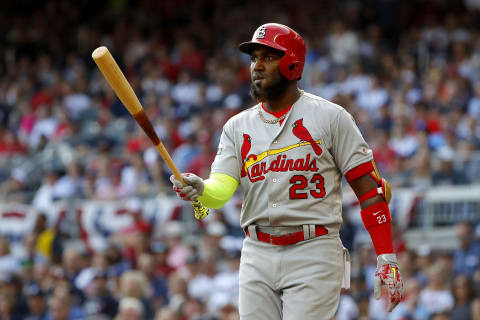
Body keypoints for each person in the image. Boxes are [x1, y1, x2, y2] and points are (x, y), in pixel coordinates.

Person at [170, 23, 404, 319]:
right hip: (256, 251)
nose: (257, 65)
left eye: (268, 57)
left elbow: (371, 191)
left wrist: (386, 256)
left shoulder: (331, 117)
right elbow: (220, 192)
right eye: (254, 58)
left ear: (292, 63)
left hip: (313, 250)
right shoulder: (236, 127)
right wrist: (201, 189)